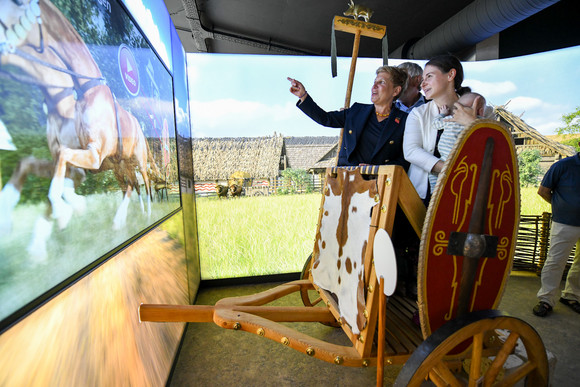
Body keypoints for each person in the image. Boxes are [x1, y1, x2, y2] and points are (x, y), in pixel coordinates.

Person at [288, 66, 409, 168]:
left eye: (381, 82)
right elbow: (325, 118)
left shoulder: (405, 121)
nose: (374, 86)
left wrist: (376, 170)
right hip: (346, 180)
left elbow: (404, 161)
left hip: (380, 186)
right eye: (374, 82)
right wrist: (303, 96)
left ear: (395, 91)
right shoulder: (356, 111)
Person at [403, 55, 486, 204]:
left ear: (450, 75)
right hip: (424, 195)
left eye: (429, 76)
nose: (423, 84)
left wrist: (471, 123)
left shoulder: (480, 108)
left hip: (468, 190)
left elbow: (493, 145)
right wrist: (451, 170)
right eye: (423, 79)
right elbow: (411, 150)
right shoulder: (418, 114)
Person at [532, 144, 580, 317]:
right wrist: (561, 206)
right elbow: (543, 191)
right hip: (564, 223)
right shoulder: (562, 166)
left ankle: (571, 296)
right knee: (555, 261)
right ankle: (546, 300)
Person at [427, 92, 486, 192]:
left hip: (445, 157)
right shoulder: (481, 124)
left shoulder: (451, 119)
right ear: (481, 111)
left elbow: (435, 124)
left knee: (433, 174)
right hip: (465, 160)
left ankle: (435, 193)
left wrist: (442, 114)